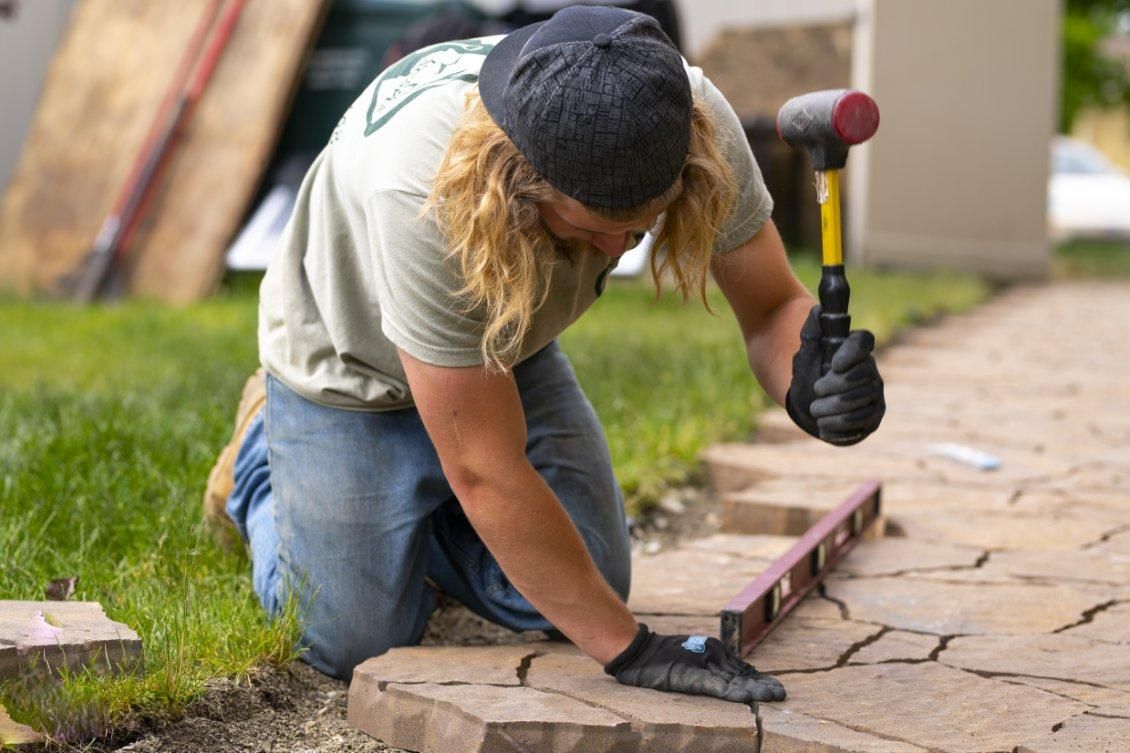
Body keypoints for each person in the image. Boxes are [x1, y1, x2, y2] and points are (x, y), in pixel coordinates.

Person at [204, 6, 885, 705]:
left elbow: (773, 308)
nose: (615, 251)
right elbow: (484, 468)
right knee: (354, 636)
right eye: (593, 229)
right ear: (518, 181)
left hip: (498, 345)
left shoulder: (682, 117)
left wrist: (809, 384)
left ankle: (415, 509)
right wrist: (631, 648)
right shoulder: (426, 189)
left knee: (574, 587)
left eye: (639, 230)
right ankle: (261, 461)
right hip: (348, 370)